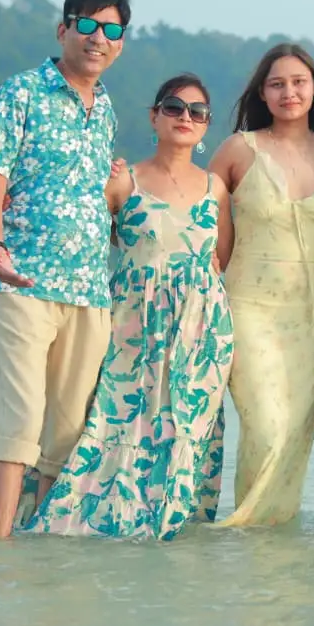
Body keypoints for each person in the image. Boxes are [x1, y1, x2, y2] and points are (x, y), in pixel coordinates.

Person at [23, 74, 234, 540]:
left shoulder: (217, 188)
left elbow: (222, 259)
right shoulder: (123, 180)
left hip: (201, 330)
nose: (185, 118)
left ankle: (170, 527)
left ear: (207, 127)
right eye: (175, 107)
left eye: (197, 112)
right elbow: (86, 241)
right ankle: (92, 520)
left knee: (184, 425)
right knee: (114, 418)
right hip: (131, 321)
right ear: (154, 116)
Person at [0, 0, 130, 539]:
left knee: (66, 435)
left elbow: (102, 199)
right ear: (63, 29)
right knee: (18, 427)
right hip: (22, 280)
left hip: (89, 290)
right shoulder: (22, 92)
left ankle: (42, 560)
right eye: (87, 24)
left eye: (111, 29)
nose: (98, 37)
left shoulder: (106, 108)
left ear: (121, 43)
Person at [204, 43, 314, 527]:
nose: (289, 92)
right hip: (249, 309)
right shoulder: (240, 149)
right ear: (262, 93)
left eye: (299, 82)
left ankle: (275, 557)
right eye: (277, 83)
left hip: (313, 317)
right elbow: (194, 211)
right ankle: (244, 534)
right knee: (266, 429)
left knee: (293, 442)